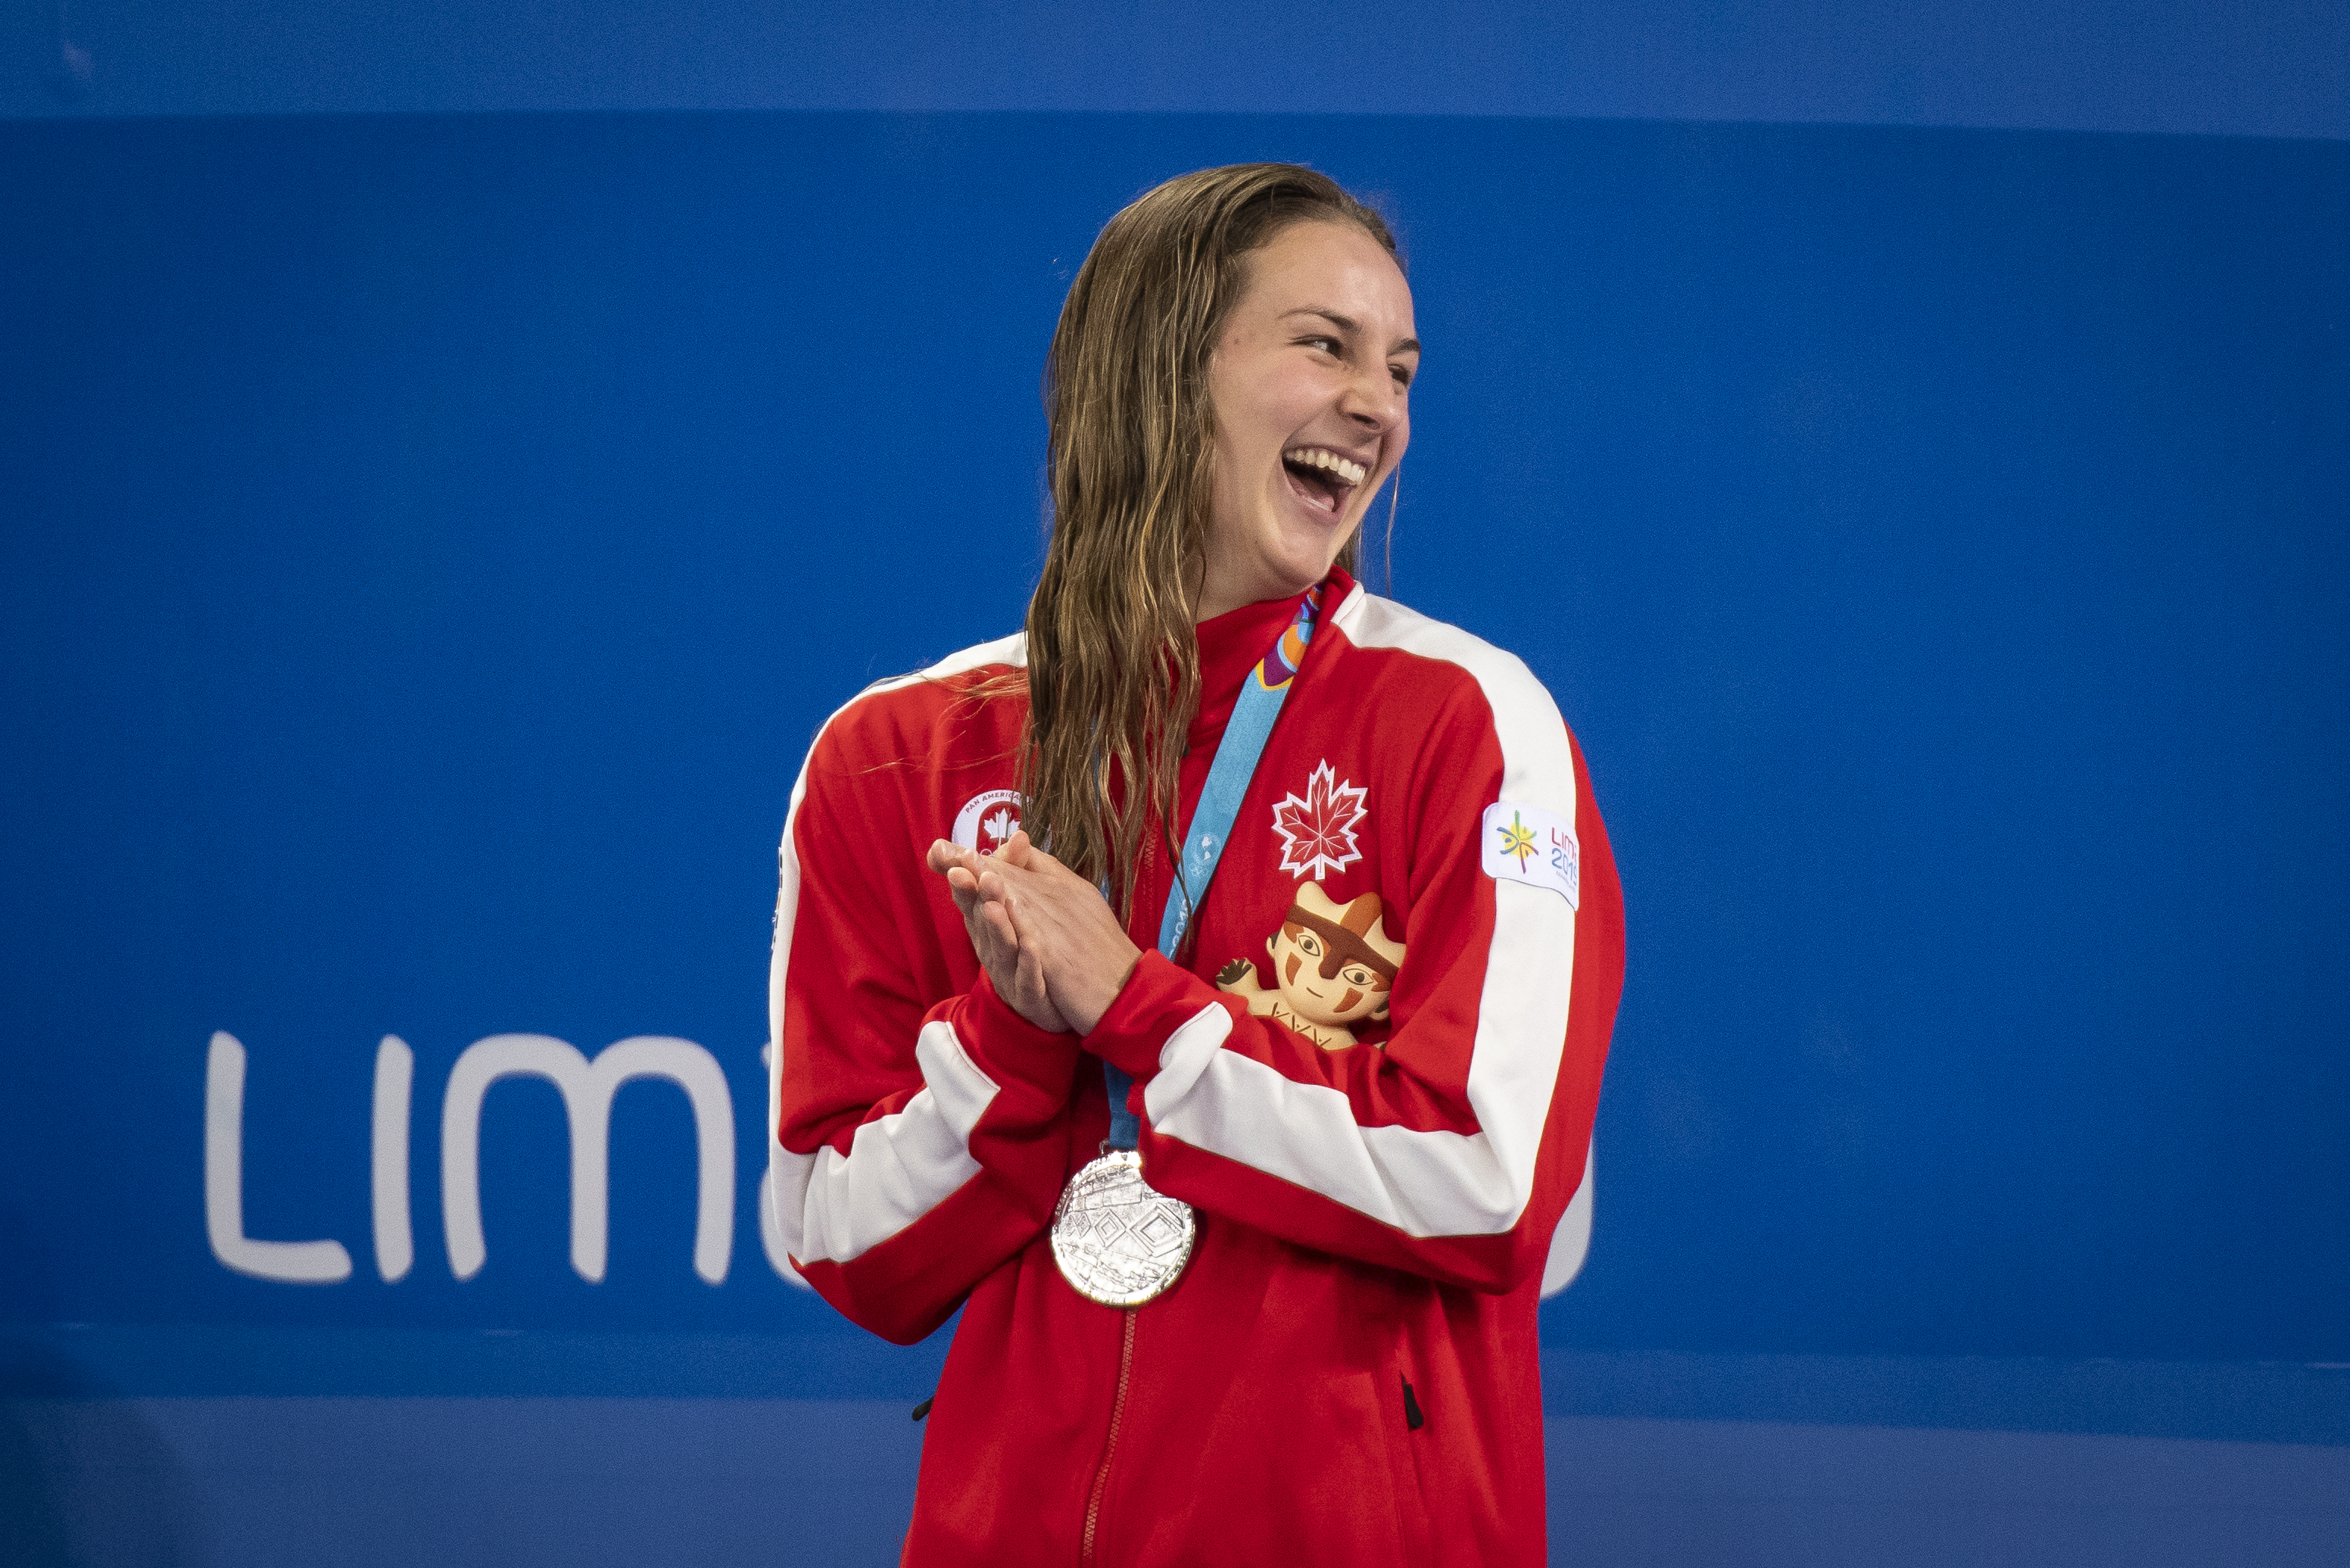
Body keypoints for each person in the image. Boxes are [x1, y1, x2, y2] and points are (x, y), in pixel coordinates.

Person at [768, 163, 1624, 1566]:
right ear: (1168, 369)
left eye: (1400, 368)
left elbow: (1492, 1179)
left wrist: (1138, 1010)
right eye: (1324, 345)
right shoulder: (896, 757)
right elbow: (838, 1241)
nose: (1380, 406)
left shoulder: (1468, 721)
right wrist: (1010, 1040)